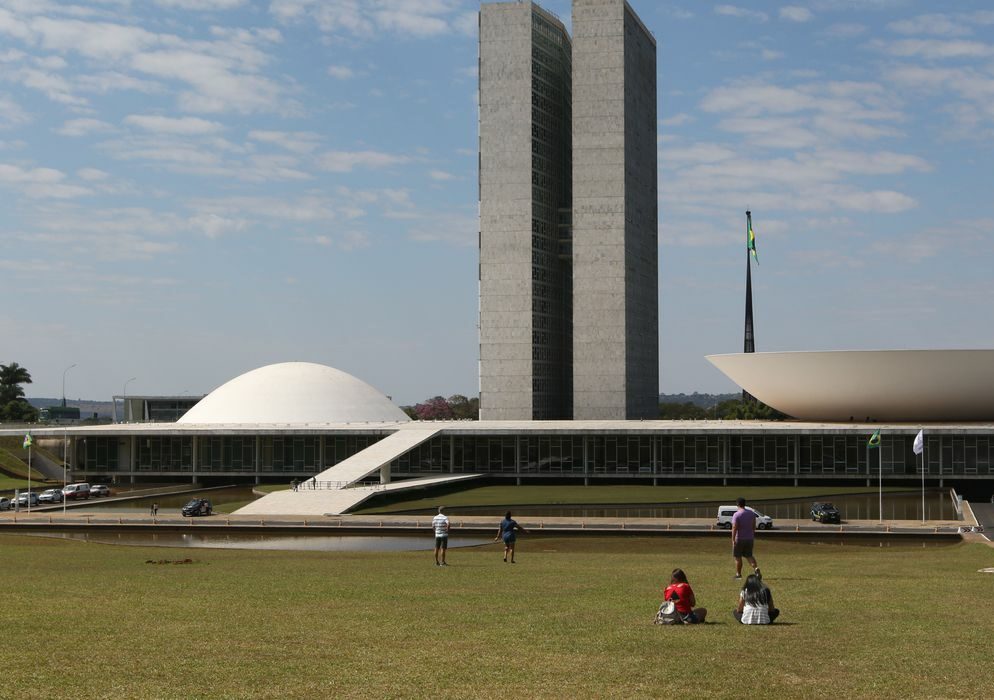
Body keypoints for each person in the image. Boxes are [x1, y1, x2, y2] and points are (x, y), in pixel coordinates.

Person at [731, 497, 760, 579]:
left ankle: (738, 574)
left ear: (737, 504)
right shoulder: (751, 513)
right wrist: (751, 534)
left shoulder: (736, 514)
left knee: (738, 557)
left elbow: (734, 528)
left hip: (739, 538)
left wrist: (733, 539)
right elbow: (754, 526)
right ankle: (756, 568)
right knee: (749, 556)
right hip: (749, 538)